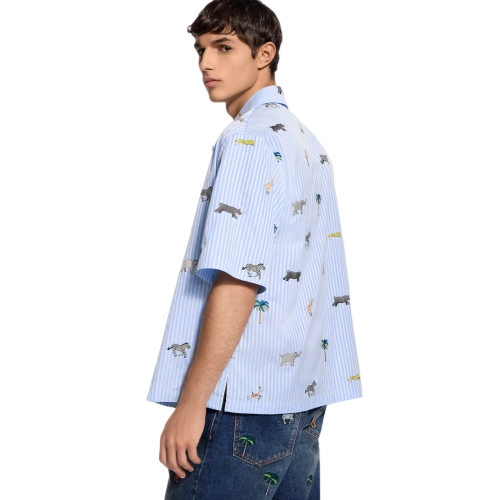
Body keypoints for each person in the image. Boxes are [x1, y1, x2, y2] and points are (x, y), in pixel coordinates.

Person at [146, 1, 363, 498]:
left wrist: (191, 404)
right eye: (201, 49)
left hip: (237, 406)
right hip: (300, 404)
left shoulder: (247, 139)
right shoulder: (309, 144)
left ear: (265, 54)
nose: (206, 63)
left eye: (224, 48)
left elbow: (239, 278)